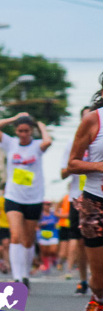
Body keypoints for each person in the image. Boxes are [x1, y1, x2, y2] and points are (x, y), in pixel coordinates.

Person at [0, 112, 52, 288]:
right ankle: (18, 278)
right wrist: (14, 118)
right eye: (20, 130)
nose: (23, 134)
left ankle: (25, 273)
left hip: (34, 198)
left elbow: (48, 142)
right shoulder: (10, 143)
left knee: (28, 240)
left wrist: (41, 125)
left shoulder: (38, 145)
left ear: (31, 130)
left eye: (26, 130)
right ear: (16, 131)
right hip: (13, 197)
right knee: (15, 235)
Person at [66, 80, 103, 311]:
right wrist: (99, 166)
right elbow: (73, 164)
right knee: (99, 279)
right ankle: (98, 296)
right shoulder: (93, 120)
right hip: (95, 203)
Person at [61, 107, 92, 294]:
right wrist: (80, 166)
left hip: (98, 196)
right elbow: (63, 172)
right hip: (78, 199)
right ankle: (83, 279)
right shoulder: (72, 144)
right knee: (80, 242)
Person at [37, 202, 59, 272]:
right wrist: (41, 224)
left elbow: (57, 222)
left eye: (48, 204)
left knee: (53, 250)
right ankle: (46, 265)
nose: (46, 206)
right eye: (45, 204)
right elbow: (36, 224)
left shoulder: (54, 214)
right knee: (44, 251)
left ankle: (54, 259)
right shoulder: (40, 214)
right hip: (43, 233)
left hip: (53, 233)